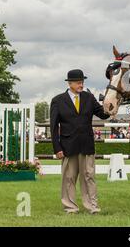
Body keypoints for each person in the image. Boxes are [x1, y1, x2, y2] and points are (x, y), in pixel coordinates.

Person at [50, 69, 110, 214]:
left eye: (82, 82)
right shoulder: (57, 100)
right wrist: (57, 148)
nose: (81, 84)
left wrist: (110, 104)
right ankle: (70, 207)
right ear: (70, 83)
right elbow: (53, 127)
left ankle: (92, 206)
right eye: (78, 82)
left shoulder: (89, 97)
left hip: (87, 145)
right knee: (69, 178)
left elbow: (103, 114)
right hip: (67, 146)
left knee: (89, 176)